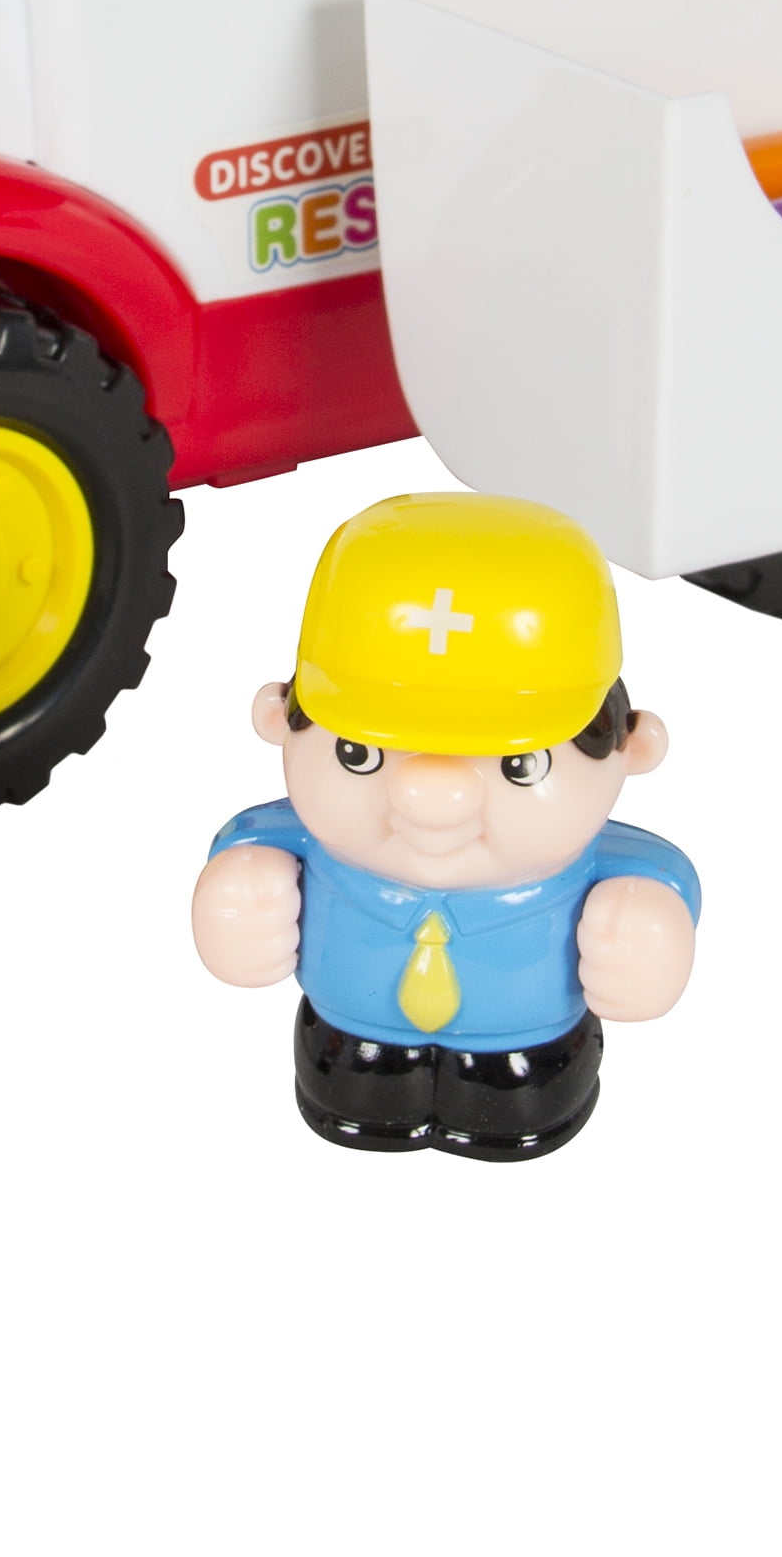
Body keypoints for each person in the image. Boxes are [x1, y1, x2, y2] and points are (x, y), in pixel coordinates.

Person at [193, 492, 698, 1159]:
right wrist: (238, 894)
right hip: (348, 1035)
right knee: (356, 1088)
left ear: (634, 747)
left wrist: (649, 932)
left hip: (529, 1046)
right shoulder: (309, 845)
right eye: (360, 754)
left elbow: (657, 875)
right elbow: (250, 840)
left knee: (523, 1096)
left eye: (519, 765)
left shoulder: (594, 868)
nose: (431, 799)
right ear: (275, 719)